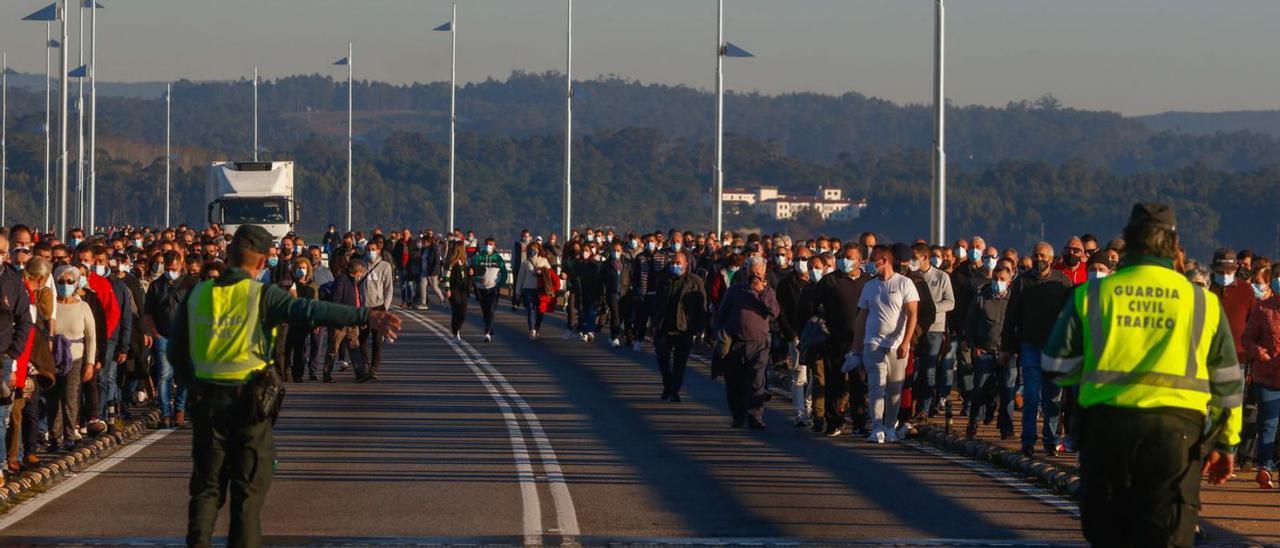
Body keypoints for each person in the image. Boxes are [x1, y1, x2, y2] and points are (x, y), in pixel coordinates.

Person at [172, 225, 402, 548]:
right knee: (246, 500)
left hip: (208, 404)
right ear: (263, 263)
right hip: (249, 408)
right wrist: (365, 316)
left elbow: (176, 353)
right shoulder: (261, 295)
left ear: (227, 256)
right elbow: (310, 311)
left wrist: (197, 385)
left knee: (206, 491)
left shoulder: (197, 295)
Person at [1042, 203, 1243, 547]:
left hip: (1106, 428)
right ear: (1173, 245)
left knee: (1110, 534)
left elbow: (1055, 366)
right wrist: (1227, 444)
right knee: (1166, 534)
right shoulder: (1202, 302)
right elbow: (1228, 381)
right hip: (1177, 434)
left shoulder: (1091, 294)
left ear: (1129, 240)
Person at [1003, 241, 1074, 457]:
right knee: (1031, 395)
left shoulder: (1062, 282)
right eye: (1036, 255)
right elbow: (1011, 315)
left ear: (1051, 259)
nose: (1039, 259)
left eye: (1043, 255)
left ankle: (1050, 440)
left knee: (1053, 398)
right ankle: (1028, 440)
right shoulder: (1022, 282)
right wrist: (1007, 346)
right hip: (1030, 345)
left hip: (1054, 348)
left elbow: (1070, 316)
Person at [853, 244, 919, 443]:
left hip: (897, 345)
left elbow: (912, 314)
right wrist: (856, 345)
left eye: (874, 259)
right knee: (876, 386)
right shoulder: (869, 286)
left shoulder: (904, 283)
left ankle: (890, 426)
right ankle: (877, 427)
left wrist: (906, 342)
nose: (871, 263)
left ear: (885, 261)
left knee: (894, 389)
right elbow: (861, 316)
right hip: (872, 343)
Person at [715, 256, 779, 429]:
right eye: (752, 274)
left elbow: (774, 312)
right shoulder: (734, 291)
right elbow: (721, 315)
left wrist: (762, 292)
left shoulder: (769, 292)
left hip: (759, 344)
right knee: (734, 383)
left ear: (764, 274)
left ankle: (755, 417)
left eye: (759, 274)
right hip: (736, 343)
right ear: (746, 272)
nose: (755, 277)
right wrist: (720, 336)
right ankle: (738, 415)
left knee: (756, 383)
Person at [964, 264, 1014, 439]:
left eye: (1002, 280)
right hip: (984, 351)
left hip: (1007, 353)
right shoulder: (981, 298)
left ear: (1009, 281)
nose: (998, 283)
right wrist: (972, 344)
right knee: (980, 389)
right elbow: (970, 322)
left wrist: (1014, 350)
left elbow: (1018, 326)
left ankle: (1007, 429)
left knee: (1008, 392)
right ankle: (973, 422)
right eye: (995, 279)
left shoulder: (1014, 301)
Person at [1242, 266, 1280, 489]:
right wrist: (1260, 353)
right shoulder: (1263, 309)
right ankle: (1264, 468)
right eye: (1276, 278)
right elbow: (1247, 338)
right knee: (1268, 423)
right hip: (1266, 376)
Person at [50, 265, 95, 451]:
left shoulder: (83, 306)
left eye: (69, 281)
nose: (65, 285)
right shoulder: (50, 305)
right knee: (53, 398)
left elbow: (91, 337)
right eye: (61, 281)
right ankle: (54, 436)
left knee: (70, 397)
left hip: (75, 358)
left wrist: (90, 363)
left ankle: (70, 435)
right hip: (52, 359)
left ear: (76, 283)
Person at [143, 251, 191, 428]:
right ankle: (165, 413)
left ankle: (180, 411)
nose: (172, 271)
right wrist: (155, 333)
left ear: (180, 265)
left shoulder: (188, 284)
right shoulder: (156, 286)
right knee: (164, 375)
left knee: (184, 375)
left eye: (174, 268)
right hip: (163, 335)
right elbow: (148, 313)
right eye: (168, 268)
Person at [653, 250, 707, 402]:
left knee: (680, 362)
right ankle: (668, 383)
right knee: (662, 358)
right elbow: (656, 303)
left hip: (684, 327)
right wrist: (654, 322)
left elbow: (701, 307)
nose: (675, 266)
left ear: (686, 265)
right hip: (664, 326)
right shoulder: (664, 280)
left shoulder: (695, 282)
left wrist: (699, 328)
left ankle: (674, 389)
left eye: (678, 263)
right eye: (673, 263)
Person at [1210, 248, 1257, 368]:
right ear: (1213, 268)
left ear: (1236, 268)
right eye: (1220, 271)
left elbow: (1254, 325)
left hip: (1239, 360)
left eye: (1229, 271)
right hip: (1208, 359)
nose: (1225, 275)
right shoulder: (1205, 288)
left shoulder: (1246, 290)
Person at [358, 239, 395, 381]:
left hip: (378, 306)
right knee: (362, 338)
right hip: (363, 306)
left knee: (377, 339)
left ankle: (374, 368)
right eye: (368, 249)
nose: (370, 252)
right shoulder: (361, 265)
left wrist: (386, 306)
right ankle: (365, 365)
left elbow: (388, 288)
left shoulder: (385, 266)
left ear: (378, 251)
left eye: (373, 249)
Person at [469, 238, 508, 342]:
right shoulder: (477, 258)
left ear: (495, 246)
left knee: (491, 310)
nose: (488, 246)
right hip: (481, 289)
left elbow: (504, 273)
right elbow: (471, 272)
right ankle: (490, 328)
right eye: (486, 244)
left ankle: (487, 331)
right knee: (485, 311)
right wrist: (477, 279)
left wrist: (499, 283)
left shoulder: (498, 258)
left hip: (493, 288)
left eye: (491, 244)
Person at [601, 240, 633, 348]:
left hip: (625, 293)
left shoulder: (627, 263)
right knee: (615, 316)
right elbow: (601, 280)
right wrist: (602, 293)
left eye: (618, 250)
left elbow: (632, 277)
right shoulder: (606, 264)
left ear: (622, 251)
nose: (616, 252)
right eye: (614, 250)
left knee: (625, 316)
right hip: (612, 293)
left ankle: (628, 337)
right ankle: (614, 336)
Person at [520, 241, 553, 339]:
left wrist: (542, 271)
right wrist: (518, 290)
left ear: (539, 250)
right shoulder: (525, 262)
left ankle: (537, 326)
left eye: (535, 248)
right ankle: (531, 329)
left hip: (540, 289)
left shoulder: (544, 261)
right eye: (531, 248)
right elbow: (520, 277)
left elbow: (550, 274)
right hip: (528, 288)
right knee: (530, 309)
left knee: (540, 310)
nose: (533, 250)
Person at [445, 243, 471, 340]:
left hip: (463, 290)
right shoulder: (452, 262)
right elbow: (446, 276)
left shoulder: (464, 262)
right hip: (454, 289)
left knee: (463, 311)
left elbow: (467, 275)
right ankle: (455, 332)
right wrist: (447, 289)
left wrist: (471, 273)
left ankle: (457, 328)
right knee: (456, 310)